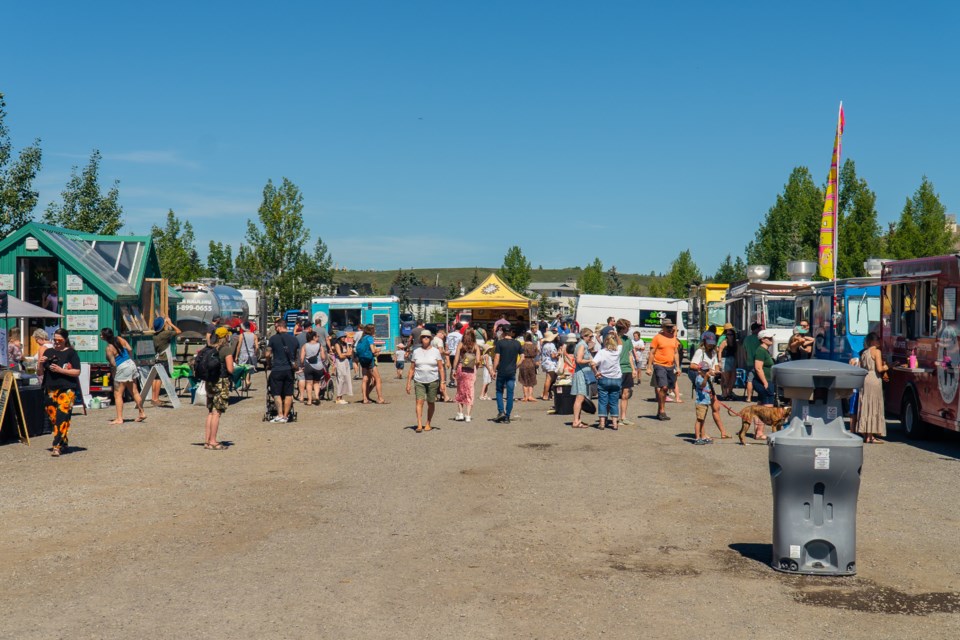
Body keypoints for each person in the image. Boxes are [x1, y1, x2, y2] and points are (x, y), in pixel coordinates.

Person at [41, 328, 81, 456]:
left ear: (65, 340)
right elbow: (40, 372)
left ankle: (56, 446)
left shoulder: (71, 353)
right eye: (55, 340)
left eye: (60, 340)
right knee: (53, 418)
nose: (57, 343)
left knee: (62, 417)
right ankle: (63, 441)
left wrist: (60, 370)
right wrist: (39, 364)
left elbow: (77, 371)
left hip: (67, 388)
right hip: (50, 388)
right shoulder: (48, 352)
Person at [100, 327, 146, 425]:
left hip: (122, 367)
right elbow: (129, 349)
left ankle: (119, 418)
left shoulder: (109, 348)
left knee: (118, 394)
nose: (100, 336)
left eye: (101, 334)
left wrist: (113, 375)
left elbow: (113, 364)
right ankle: (142, 412)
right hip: (130, 363)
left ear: (104, 337)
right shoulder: (119, 339)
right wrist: (128, 357)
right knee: (135, 391)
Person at [690, 334, 730, 440]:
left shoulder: (713, 352)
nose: (710, 345)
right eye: (709, 343)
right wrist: (705, 370)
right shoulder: (700, 352)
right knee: (704, 410)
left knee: (716, 407)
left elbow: (715, 364)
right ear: (704, 341)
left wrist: (716, 371)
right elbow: (692, 365)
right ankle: (702, 435)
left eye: (712, 343)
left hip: (710, 382)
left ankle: (723, 432)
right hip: (703, 381)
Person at [202, 326, 235, 449]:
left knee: (210, 411)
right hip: (221, 381)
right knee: (217, 412)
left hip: (209, 381)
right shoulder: (226, 349)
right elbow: (230, 369)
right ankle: (213, 441)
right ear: (225, 336)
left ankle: (207, 441)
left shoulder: (210, 348)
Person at [407, 330, 445, 432]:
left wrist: (442, 382)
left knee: (431, 402)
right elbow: (412, 369)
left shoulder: (436, 351)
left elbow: (441, 368)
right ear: (421, 339)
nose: (426, 339)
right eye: (424, 337)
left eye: (428, 337)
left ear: (431, 339)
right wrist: (408, 383)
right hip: (419, 380)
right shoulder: (416, 351)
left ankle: (428, 423)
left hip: (433, 380)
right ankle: (419, 424)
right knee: (419, 401)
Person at [646, 319, 681, 421]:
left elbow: (675, 353)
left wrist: (677, 367)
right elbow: (652, 353)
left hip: (670, 366)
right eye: (668, 327)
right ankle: (662, 411)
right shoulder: (657, 338)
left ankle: (659, 410)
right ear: (663, 328)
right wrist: (649, 367)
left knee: (666, 389)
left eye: (671, 327)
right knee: (664, 387)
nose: (670, 329)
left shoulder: (673, 338)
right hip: (659, 365)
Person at [857, 332, 888, 443]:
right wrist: (888, 366)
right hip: (874, 378)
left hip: (865, 379)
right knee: (874, 405)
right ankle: (871, 436)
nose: (879, 342)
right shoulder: (877, 352)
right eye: (878, 340)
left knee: (867, 405)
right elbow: (879, 369)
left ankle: (867, 434)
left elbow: (860, 367)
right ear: (873, 341)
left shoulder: (864, 353)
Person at [267, 319, 299, 422]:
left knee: (276, 393)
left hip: (277, 369)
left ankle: (280, 414)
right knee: (288, 393)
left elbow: (267, 354)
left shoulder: (273, 339)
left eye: (276, 327)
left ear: (280, 327)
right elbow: (296, 355)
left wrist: (268, 363)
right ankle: (285, 416)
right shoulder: (294, 339)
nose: (275, 329)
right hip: (289, 369)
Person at [590, 333, 623, 430]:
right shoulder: (617, 351)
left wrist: (596, 372)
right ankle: (615, 423)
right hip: (616, 378)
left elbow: (593, 364)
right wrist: (616, 335)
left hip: (604, 378)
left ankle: (602, 423)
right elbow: (621, 344)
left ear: (605, 342)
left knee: (603, 402)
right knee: (614, 402)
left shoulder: (602, 352)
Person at [493, 325, 523, 423]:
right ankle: (507, 416)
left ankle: (501, 411)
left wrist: (493, 370)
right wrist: (516, 366)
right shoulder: (517, 343)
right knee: (510, 394)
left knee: (499, 391)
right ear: (511, 332)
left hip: (501, 370)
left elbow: (497, 358)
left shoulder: (500, 343)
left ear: (503, 332)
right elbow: (522, 357)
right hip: (511, 371)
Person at [453, 330, 483, 422]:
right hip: (471, 370)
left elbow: (456, 358)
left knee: (460, 390)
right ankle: (468, 415)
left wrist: (454, 369)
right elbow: (478, 361)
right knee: (470, 391)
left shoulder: (461, 345)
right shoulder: (476, 346)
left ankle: (460, 413)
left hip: (461, 368)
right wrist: (475, 367)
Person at [152, 316, 182, 406]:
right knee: (160, 379)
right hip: (164, 359)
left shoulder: (155, 335)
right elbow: (179, 331)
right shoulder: (165, 334)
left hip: (158, 358)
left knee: (156, 379)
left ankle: (154, 398)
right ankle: (156, 399)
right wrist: (170, 323)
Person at [752, 329, 777, 440]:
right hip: (764, 382)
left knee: (760, 406)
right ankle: (760, 432)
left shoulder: (764, 350)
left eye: (771, 338)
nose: (771, 339)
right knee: (766, 409)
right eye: (768, 338)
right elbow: (758, 367)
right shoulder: (761, 351)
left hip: (765, 381)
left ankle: (758, 431)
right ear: (762, 339)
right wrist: (765, 382)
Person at [571, 328, 596, 428]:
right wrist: (590, 360)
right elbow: (579, 360)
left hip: (582, 373)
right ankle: (576, 421)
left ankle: (578, 420)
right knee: (580, 398)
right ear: (584, 336)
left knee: (580, 398)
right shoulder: (582, 345)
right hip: (581, 374)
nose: (591, 338)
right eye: (590, 336)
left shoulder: (583, 345)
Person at [356, 324, 385, 404]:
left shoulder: (362, 338)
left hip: (362, 360)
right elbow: (372, 350)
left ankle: (365, 398)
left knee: (365, 379)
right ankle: (380, 398)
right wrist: (377, 350)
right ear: (371, 330)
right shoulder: (369, 338)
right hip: (369, 360)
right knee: (377, 379)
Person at [616, 319, 636, 426]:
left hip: (627, 369)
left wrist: (633, 369)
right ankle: (612, 416)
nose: (628, 329)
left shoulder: (628, 339)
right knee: (614, 394)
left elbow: (629, 355)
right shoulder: (614, 338)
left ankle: (623, 417)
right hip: (617, 369)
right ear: (622, 328)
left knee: (625, 394)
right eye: (627, 327)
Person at [300, 330, 326, 406]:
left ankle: (309, 400)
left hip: (308, 366)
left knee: (308, 383)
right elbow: (323, 357)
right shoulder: (319, 345)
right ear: (314, 337)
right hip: (318, 366)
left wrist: (302, 365)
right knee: (316, 382)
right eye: (317, 336)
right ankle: (317, 396)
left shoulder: (305, 346)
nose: (318, 337)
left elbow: (301, 358)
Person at [693, 362, 715, 445]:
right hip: (700, 402)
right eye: (704, 370)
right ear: (699, 370)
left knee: (703, 420)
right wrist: (706, 377)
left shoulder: (705, 377)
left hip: (706, 402)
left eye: (707, 370)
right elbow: (702, 386)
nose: (706, 372)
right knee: (699, 420)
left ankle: (703, 436)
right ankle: (697, 438)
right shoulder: (699, 378)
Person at [234, 320, 258, 391]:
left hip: (243, 354)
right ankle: (247, 382)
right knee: (248, 369)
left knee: (242, 369)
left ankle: (246, 382)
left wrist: (236, 356)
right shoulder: (254, 335)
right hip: (251, 355)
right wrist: (255, 353)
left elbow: (239, 346)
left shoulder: (242, 335)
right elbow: (257, 347)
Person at [742, 323, 762, 403]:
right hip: (759, 362)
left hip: (749, 362)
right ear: (756, 329)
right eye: (759, 328)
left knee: (749, 380)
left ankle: (749, 397)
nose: (760, 330)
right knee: (760, 380)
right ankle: (760, 397)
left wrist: (745, 360)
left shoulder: (746, 339)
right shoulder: (759, 339)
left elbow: (744, 352)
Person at [333, 331, 353, 405]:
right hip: (340, 362)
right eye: (343, 337)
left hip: (346, 362)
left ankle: (341, 397)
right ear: (339, 338)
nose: (344, 338)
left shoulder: (345, 344)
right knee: (340, 379)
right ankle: (338, 397)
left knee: (345, 379)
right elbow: (340, 356)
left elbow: (350, 353)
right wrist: (346, 354)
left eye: (345, 337)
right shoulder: (337, 344)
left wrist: (346, 354)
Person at [719, 324, 738, 400]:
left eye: (731, 334)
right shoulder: (724, 341)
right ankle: (725, 393)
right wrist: (719, 361)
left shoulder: (734, 343)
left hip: (732, 359)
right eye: (728, 334)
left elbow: (736, 353)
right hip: (725, 359)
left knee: (733, 377)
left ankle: (729, 392)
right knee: (726, 378)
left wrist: (737, 361)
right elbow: (719, 351)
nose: (730, 336)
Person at [518, 332, 539, 402]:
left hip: (523, 362)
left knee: (524, 380)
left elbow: (520, 354)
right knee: (531, 380)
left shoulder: (522, 346)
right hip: (532, 362)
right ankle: (530, 395)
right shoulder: (534, 346)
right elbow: (536, 354)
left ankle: (525, 396)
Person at [539, 331, 560, 400]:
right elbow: (553, 355)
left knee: (549, 379)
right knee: (549, 379)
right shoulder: (551, 345)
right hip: (551, 363)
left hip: (545, 362)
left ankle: (544, 393)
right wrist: (559, 354)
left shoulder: (544, 345)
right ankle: (545, 394)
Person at [446, 324, 463, 388]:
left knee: (453, 368)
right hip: (457, 352)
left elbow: (447, 345)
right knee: (457, 367)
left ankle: (452, 381)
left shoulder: (449, 335)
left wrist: (447, 353)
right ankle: (457, 381)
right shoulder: (461, 336)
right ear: (460, 328)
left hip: (450, 352)